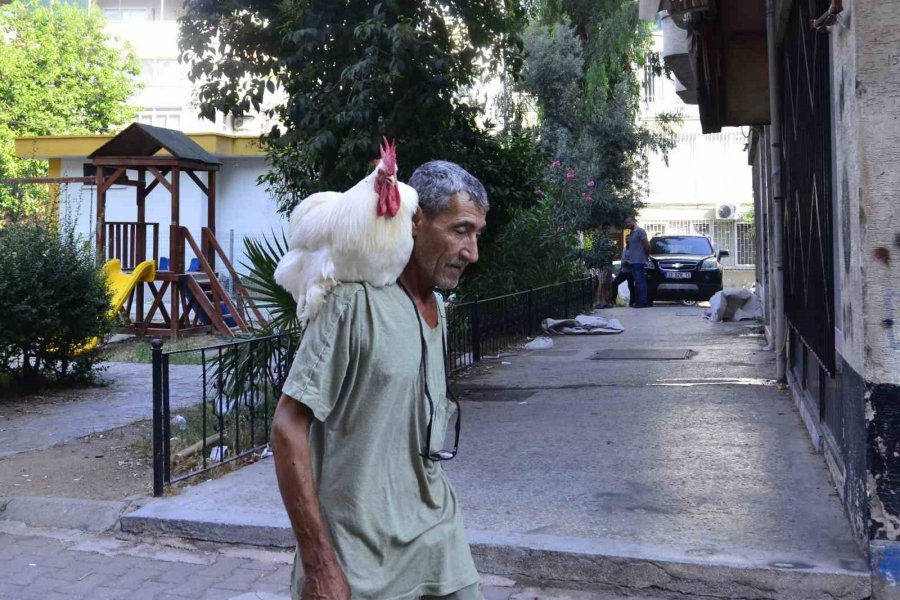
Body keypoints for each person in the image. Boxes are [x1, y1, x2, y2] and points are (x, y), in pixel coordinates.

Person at [271, 160, 489, 600]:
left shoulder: (438, 310)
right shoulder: (353, 305)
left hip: (435, 532)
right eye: (460, 230)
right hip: (359, 558)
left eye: (477, 235)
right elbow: (287, 428)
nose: (472, 252)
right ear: (416, 222)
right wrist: (318, 565)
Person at [623, 215, 650, 308]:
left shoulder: (640, 231)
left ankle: (643, 302)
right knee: (637, 282)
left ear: (634, 221)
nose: (628, 224)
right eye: (626, 223)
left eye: (629, 222)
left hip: (639, 261)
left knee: (641, 281)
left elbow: (646, 245)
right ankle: (639, 301)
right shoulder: (631, 233)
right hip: (633, 262)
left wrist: (645, 256)